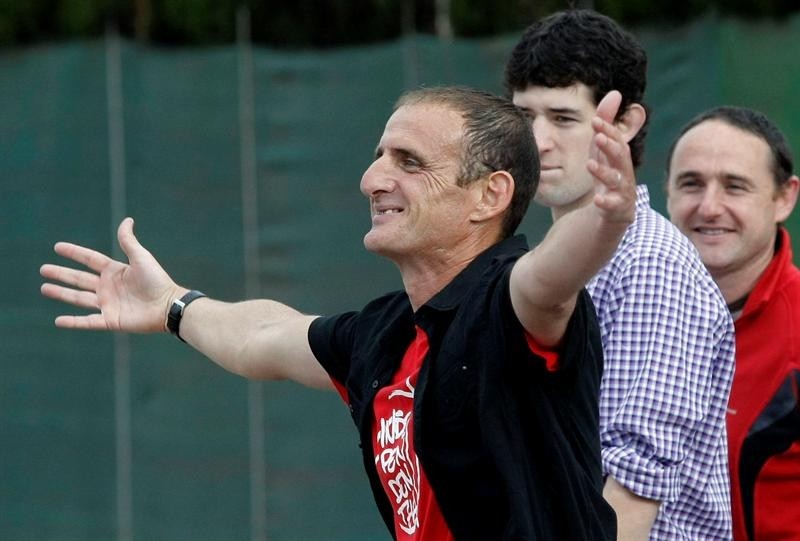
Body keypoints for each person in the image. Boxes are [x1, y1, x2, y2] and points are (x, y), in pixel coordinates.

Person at [41, 86, 636, 540]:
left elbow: (549, 280)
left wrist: (605, 216)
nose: (372, 179)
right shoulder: (386, 335)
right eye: (379, 156)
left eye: (409, 161)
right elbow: (264, 335)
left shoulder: (507, 303)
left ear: (490, 194)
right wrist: (173, 303)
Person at [504, 9, 735, 540]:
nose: (537, 140)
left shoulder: (649, 264)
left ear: (626, 123)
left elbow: (633, 485)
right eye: (524, 115)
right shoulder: (554, 261)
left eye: (563, 118)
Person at [665, 106, 800, 541]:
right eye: (691, 183)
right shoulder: (620, 311)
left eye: (735, 186)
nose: (709, 207)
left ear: (784, 198)